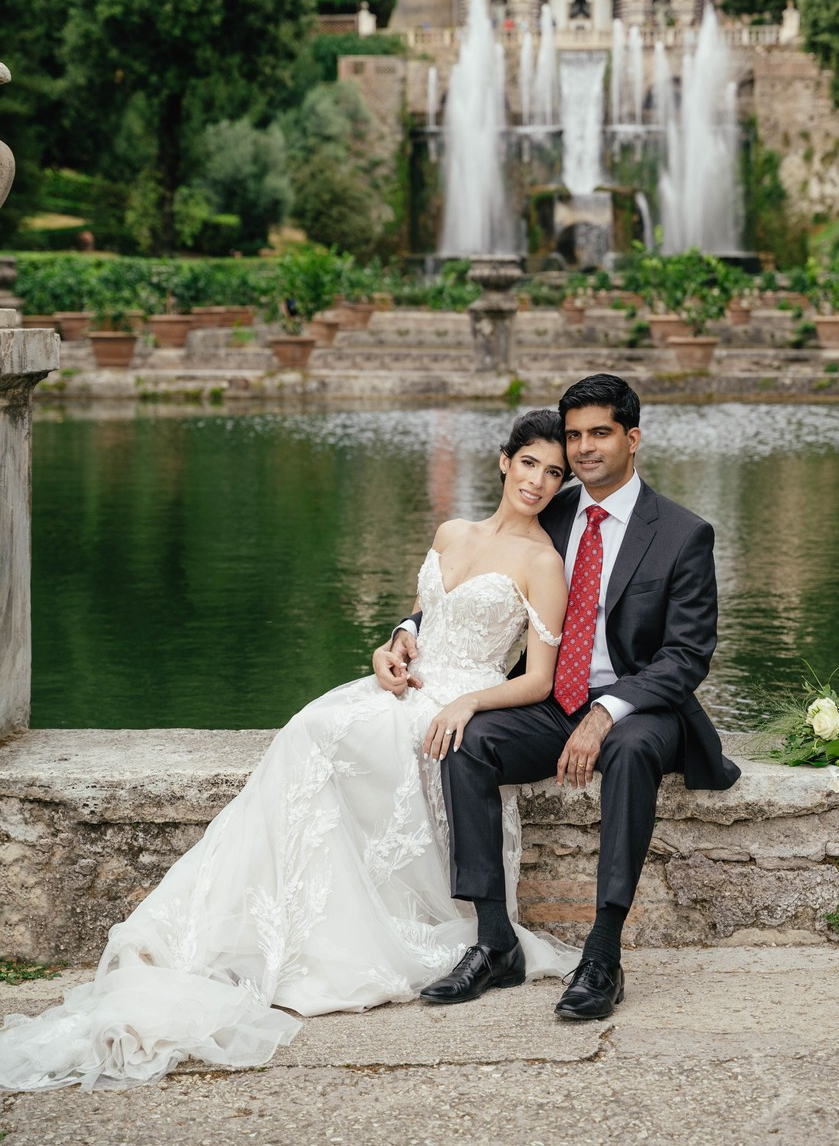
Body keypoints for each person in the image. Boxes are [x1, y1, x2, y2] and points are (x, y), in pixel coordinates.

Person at [0, 411, 572, 1092]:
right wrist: (390, 645)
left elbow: (537, 678)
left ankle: (355, 933)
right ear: (504, 461)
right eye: (530, 463)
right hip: (407, 684)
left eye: (555, 472)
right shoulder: (452, 530)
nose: (539, 480)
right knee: (309, 727)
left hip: (459, 703)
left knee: (348, 741)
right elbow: (426, 616)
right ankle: (258, 922)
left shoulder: (543, 562)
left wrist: (469, 702)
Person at [380, 374, 740, 1020]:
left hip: (639, 706)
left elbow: (687, 658)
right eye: (573, 435)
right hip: (554, 700)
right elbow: (469, 576)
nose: (582, 449)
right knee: (468, 740)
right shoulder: (552, 508)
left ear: (633, 438)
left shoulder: (684, 534)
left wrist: (606, 712)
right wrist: (407, 632)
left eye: (599, 432)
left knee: (629, 757)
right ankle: (495, 944)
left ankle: (603, 952)